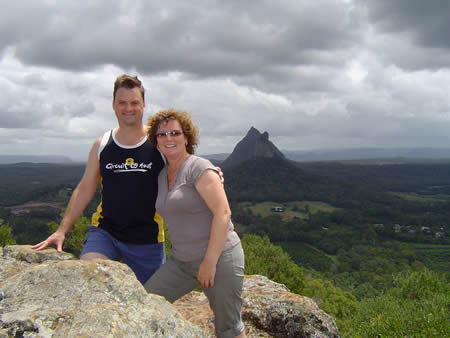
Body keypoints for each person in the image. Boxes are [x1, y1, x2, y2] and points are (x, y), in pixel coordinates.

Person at [32, 74, 166, 285]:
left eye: (134, 103)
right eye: (122, 102)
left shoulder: (159, 143)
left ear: (144, 105)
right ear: (113, 105)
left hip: (147, 239)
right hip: (106, 233)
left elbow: (186, 169)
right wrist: (61, 230)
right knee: (90, 278)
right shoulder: (102, 144)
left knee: (153, 301)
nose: (128, 108)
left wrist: (209, 172)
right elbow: (85, 188)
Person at [144, 109, 246, 338]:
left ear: (187, 137)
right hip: (181, 262)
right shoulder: (161, 176)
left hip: (220, 258)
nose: (168, 138)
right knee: (146, 301)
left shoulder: (198, 167)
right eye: (162, 134)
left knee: (229, 329)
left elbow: (223, 213)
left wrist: (209, 262)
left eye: (175, 132)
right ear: (156, 140)